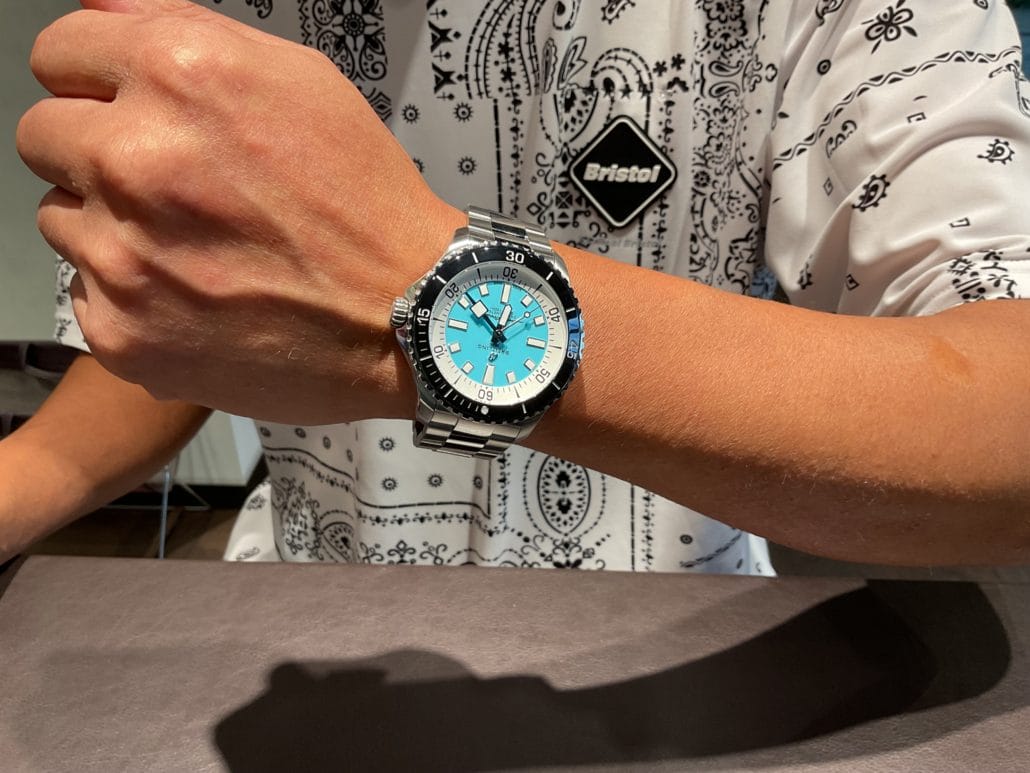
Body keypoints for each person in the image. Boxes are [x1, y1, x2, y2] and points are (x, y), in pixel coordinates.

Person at [5, 0, 1029, 571]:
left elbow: (1004, 421)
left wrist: (411, 294)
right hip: (302, 612)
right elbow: (182, 314)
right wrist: (30, 474)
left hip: (685, 635)